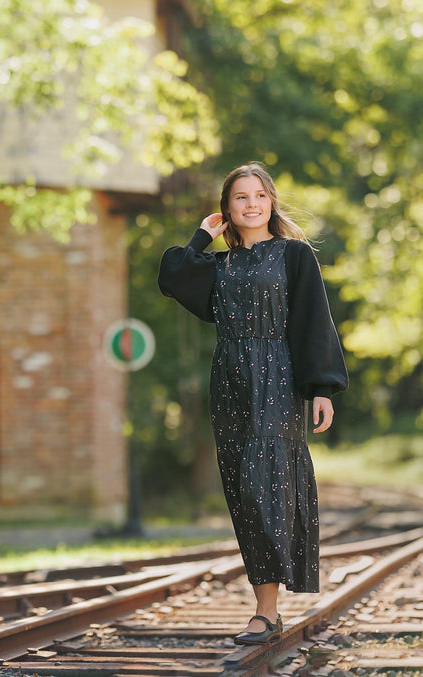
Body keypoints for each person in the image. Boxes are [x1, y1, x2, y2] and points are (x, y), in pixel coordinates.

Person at [158, 162, 348, 645]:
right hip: (229, 383)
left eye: (260, 195)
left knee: (263, 483)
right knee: (243, 493)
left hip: (280, 380)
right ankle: (265, 605)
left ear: (271, 202)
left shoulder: (295, 256)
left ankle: (266, 610)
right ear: (227, 209)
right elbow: (172, 273)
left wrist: (321, 387)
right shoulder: (217, 266)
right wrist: (201, 238)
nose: (252, 204)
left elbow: (313, 321)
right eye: (241, 197)